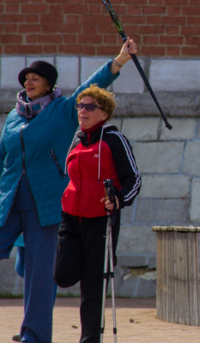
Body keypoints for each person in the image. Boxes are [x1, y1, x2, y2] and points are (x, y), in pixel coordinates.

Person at [0, 38, 138, 343]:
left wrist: (119, 61)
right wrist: (1, 195)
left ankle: (34, 336)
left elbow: (92, 87)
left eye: (35, 79)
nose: (29, 82)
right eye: (26, 79)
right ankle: (24, 250)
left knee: (41, 277)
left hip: (47, 204)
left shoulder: (64, 110)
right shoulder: (13, 118)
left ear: (49, 85)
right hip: (12, 200)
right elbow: (3, 159)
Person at [53, 84, 141, 343]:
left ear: (104, 114)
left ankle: (90, 339)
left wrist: (119, 199)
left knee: (92, 288)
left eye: (90, 107)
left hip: (101, 222)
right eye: (80, 106)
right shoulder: (77, 140)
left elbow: (133, 179)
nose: (83, 111)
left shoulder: (114, 139)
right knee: (63, 275)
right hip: (70, 219)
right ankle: (94, 269)